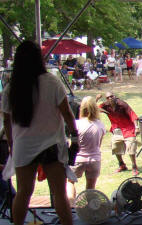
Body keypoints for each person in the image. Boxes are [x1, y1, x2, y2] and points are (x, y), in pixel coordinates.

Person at [1, 41, 78, 225]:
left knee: (23, 192)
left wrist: (12, 145)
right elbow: (67, 112)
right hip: (51, 144)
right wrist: (74, 135)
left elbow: (6, 121)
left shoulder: (11, 88)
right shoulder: (52, 82)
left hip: (23, 146)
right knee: (59, 192)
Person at [67, 96, 106, 206]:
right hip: (94, 159)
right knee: (90, 187)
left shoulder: (76, 124)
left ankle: (71, 206)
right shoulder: (100, 125)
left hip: (78, 158)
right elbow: (99, 144)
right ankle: (89, 210)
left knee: (70, 182)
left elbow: (72, 143)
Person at [97, 92, 140, 176]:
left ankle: (134, 166)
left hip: (128, 128)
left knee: (131, 147)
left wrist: (137, 127)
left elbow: (132, 114)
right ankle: (122, 165)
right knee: (115, 146)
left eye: (111, 96)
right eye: (108, 97)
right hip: (116, 129)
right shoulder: (105, 105)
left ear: (115, 96)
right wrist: (97, 99)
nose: (110, 98)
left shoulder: (122, 104)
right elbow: (93, 109)